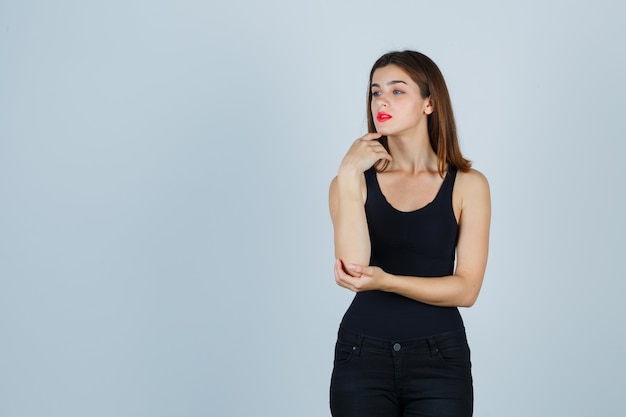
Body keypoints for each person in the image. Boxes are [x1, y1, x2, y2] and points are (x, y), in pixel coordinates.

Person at [328, 50, 491, 417]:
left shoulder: (468, 185)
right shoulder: (349, 182)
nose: (381, 100)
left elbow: (466, 290)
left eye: (397, 91)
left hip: (440, 360)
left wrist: (387, 281)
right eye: (375, 92)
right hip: (361, 355)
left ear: (429, 103)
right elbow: (354, 270)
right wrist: (350, 175)